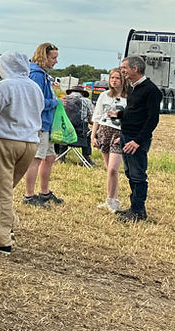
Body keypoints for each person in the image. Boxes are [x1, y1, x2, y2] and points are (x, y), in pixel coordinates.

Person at [0, 52, 43, 254]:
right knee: (7, 187)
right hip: (30, 143)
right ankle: (9, 226)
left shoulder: (5, 86)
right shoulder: (35, 87)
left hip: (5, 141)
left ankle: (1, 240)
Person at [114, 55, 162, 222]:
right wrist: (119, 115)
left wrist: (137, 141)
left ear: (135, 69)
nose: (122, 71)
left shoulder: (151, 90)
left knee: (138, 176)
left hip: (136, 140)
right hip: (126, 136)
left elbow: (152, 119)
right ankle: (135, 208)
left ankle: (137, 212)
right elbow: (135, 112)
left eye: (124, 68)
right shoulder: (134, 88)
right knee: (129, 173)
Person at [22, 42, 63, 207]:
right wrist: (55, 103)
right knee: (36, 159)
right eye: (53, 58)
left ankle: (44, 192)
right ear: (43, 56)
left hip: (46, 123)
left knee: (49, 157)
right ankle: (29, 195)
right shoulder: (37, 75)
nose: (55, 61)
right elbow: (35, 101)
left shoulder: (43, 74)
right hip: (39, 123)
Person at [91, 68, 128, 212]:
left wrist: (125, 135)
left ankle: (114, 200)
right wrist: (93, 135)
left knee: (113, 168)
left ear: (123, 80)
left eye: (117, 78)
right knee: (108, 168)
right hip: (104, 130)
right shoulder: (104, 96)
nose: (114, 80)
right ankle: (110, 198)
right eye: (112, 78)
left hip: (119, 132)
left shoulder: (128, 98)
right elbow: (97, 116)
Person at [60, 87, 95, 163]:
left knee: (65, 129)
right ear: (82, 93)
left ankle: (61, 155)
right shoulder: (87, 101)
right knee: (88, 134)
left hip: (64, 134)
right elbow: (91, 120)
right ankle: (86, 157)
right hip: (80, 135)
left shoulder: (62, 100)